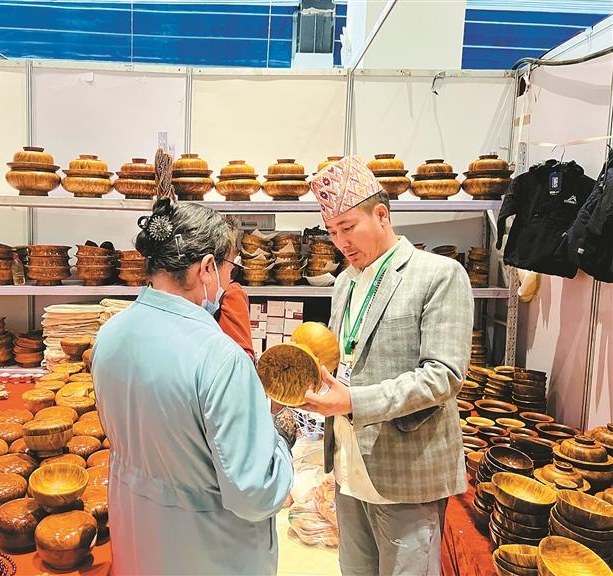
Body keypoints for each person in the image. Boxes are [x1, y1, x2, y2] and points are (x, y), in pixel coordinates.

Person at [91, 198, 294, 575]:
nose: (229, 282)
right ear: (207, 268)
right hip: (209, 553)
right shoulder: (220, 359)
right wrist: (280, 437)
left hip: (137, 541)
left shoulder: (110, 335)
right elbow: (255, 493)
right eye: (230, 268)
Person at [301, 156, 473, 576]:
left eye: (348, 227)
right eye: (331, 231)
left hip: (406, 470)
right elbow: (344, 357)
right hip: (348, 466)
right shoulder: (345, 281)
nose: (340, 242)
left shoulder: (439, 275)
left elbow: (444, 375)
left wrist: (353, 401)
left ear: (381, 214)